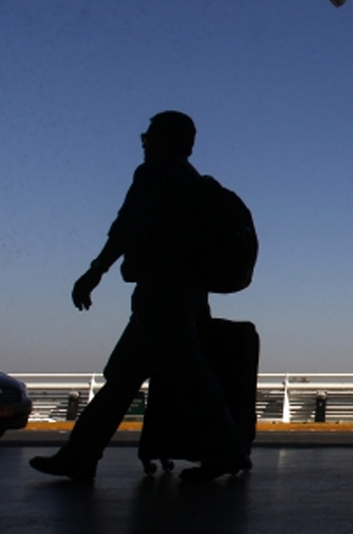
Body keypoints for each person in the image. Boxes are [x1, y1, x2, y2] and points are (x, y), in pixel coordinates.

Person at [30, 111, 249, 482]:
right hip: (189, 292)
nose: (143, 141)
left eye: (147, 135)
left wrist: (95, 270)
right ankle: (80, 454)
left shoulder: (156, 172)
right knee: (124, 377)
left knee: (186, 374)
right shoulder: (193, 182)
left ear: (163, 139)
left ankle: (226, 451)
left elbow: (128, 225)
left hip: (162, 292)